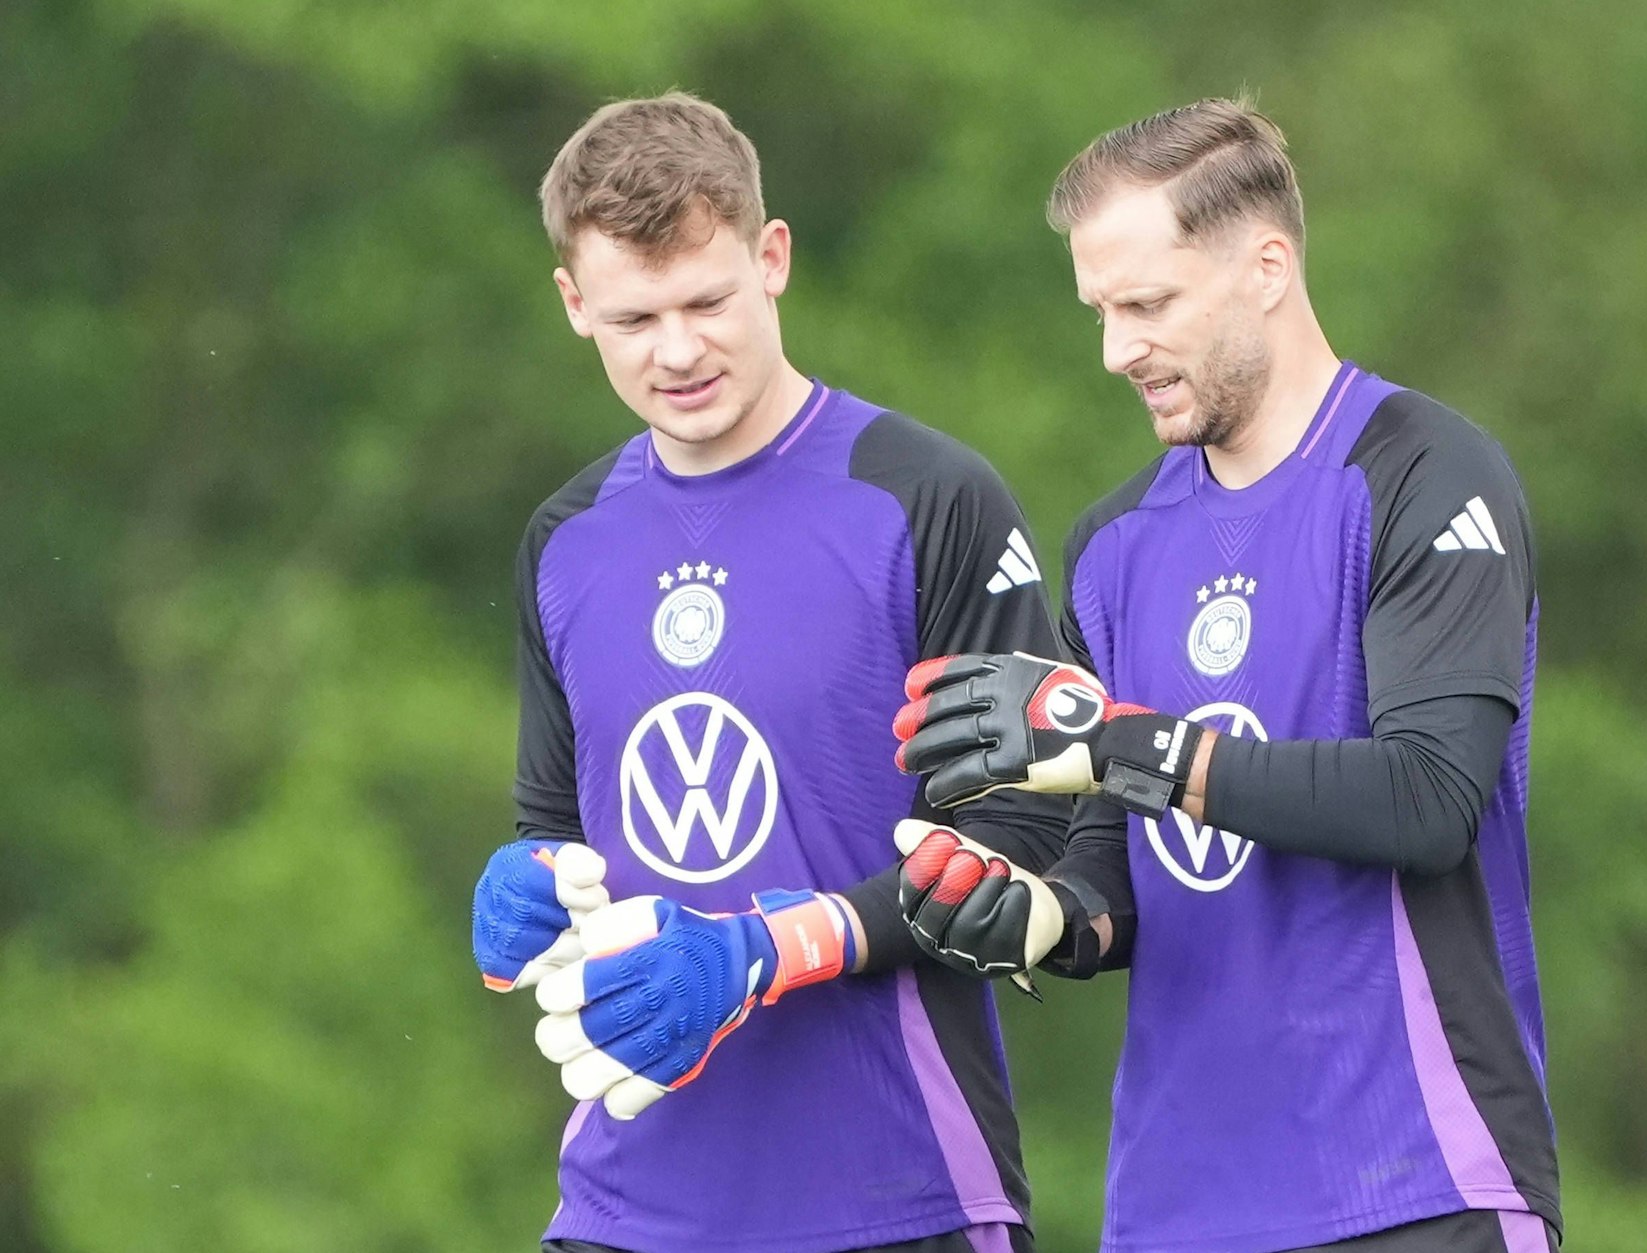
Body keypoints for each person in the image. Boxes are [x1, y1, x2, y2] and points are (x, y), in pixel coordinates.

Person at [892, 99, 1562, 1253]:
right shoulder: (1111, 546)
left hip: (1418, 1183)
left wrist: (1116, 742)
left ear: (1266, 268)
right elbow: (1116, 868)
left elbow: (1426, 799)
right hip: (1173, 1209)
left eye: (1147, 305)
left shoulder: (1425, 473)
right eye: (1100, 312)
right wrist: (1036, 915)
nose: (1116, 350)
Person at [469, 91, 1065, 1253]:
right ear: (574, 303)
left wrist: (766, 950)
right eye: (635, 316)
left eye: (707, 301)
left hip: (896, 1194)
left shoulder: (929, 499)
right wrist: (526, 887)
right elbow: (555, 821)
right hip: (624, 1205)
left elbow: (1023, 842)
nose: (678, 350)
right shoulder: (565, 537)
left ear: (771, 257)